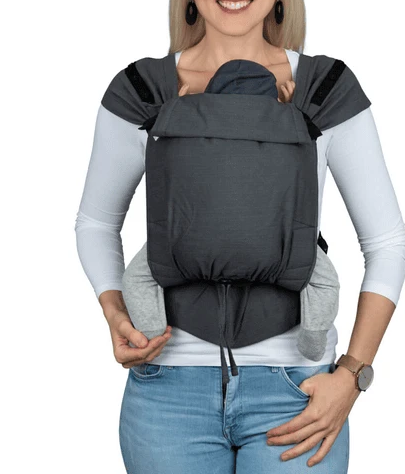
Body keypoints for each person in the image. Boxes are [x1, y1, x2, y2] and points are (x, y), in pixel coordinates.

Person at [74, 0, 405, 473]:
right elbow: (96, 223)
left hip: (298, 391)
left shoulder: (324, 90)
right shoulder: (142, 91)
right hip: (167, 392)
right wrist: (116, 313)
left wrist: (351, 375)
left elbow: (387, 244)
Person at [122, 58, 342, 363]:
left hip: (185, 245)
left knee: (138, 278)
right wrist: (292, 109)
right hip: (280, 248)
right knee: (323, 281)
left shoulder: (178, 117)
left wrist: (179, 107)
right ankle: (313, 342)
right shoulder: (294, 123)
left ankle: (151, 335)